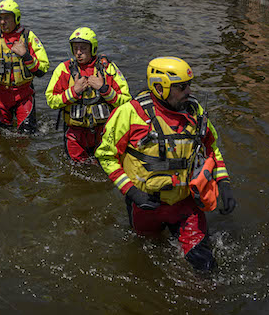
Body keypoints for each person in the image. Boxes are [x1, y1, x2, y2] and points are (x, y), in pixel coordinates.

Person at [96, 57, 237, 272]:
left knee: (206, 267)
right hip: (145, 204)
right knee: (145, 256)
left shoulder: (194, 112)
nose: (188, 91)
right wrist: (132, 192)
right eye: (181, 87)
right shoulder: (130, 114)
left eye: (188, 85)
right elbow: (105, 155)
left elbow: (212, 149)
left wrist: (224, 183)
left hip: (185, 204)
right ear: (160, 88)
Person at [45, 27, 130, 162]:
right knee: (77, 171)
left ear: (93, 48)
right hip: (75, 134)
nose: (78, 53)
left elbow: (126, 102)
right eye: (75, 48)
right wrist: (73, 91)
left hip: (103, 133)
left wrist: (104, 89)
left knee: (106, 167)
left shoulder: (108, 69)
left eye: (83, 48)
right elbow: (51, 100)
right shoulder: (63, 69)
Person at [0, 0, 49, 132]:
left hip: (24, 94)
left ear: (16, 18)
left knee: (27, 133)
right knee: (1, 134)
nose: (2, 22)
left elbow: (43, 69)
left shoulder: (28, 37)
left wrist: (26, 56)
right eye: (0, 18)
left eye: (6, 18)